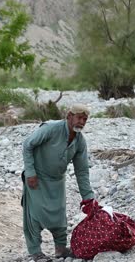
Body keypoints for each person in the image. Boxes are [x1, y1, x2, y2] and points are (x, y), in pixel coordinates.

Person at [22, 104, 95, 261]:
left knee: (60, 216)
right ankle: (35, 252)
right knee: (35, 216)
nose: (81, 122)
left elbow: (81, 171)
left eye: (85, 119)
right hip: (37, 178)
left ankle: (61, 249)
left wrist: (88, 197)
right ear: (69, 116)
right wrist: (30, 172)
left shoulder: (80, 141)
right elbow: (28, 145)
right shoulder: (51, 129)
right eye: (78, 117)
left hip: (57, 181)